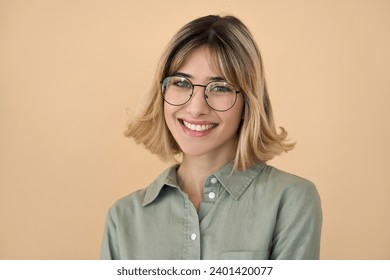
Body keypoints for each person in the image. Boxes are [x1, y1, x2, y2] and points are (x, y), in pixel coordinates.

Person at [101, 15, 322, 260]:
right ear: (162, 93)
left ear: (248, 102)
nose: (196, 109)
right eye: (181, 83)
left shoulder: (290, 201)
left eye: (220, 88)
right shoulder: (123, 219)